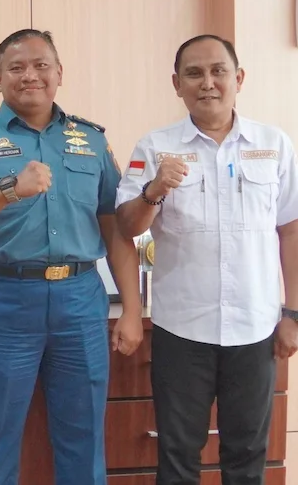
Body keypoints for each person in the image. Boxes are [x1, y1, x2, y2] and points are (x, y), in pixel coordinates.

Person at [0, 28, 143, 485]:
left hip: (80, 300)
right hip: (4, 298)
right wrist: (10, 189)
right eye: (16, 67)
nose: (30, 75)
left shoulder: (91, 140)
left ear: (59, 73)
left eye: (41, 65)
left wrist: (131, 309)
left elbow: (115, 228)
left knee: (84, 441)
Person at [114, 34, 298, 484]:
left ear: (239, 78)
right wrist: (154, 190)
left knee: (247, 455)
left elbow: (291, 230)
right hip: (183, 329)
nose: (208, 83)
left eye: (218, 71)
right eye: (194, 73)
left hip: (255, 328)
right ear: (177, 84)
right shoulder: (155, 147)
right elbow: (127, 226)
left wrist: (293, 313)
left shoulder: (274, 144)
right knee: (178, 455)